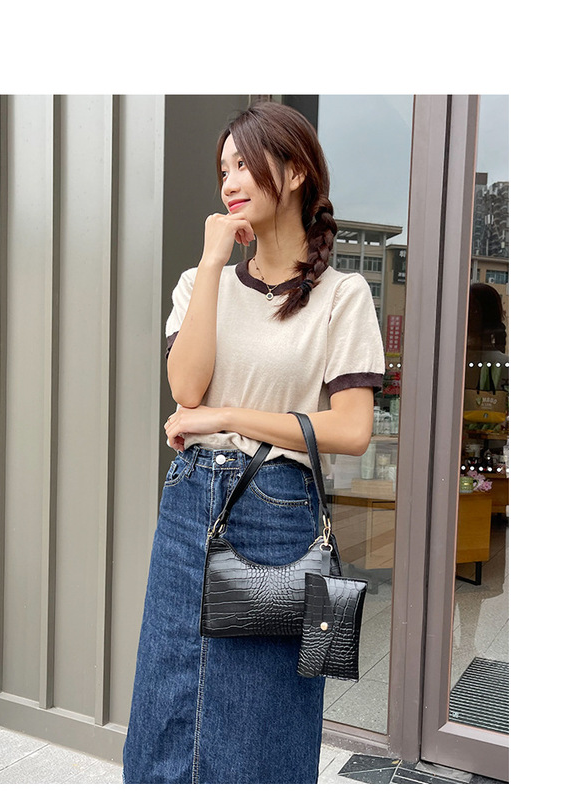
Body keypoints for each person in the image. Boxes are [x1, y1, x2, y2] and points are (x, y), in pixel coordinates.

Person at [122, 101, 385, 784]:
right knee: (170, 696)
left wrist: (227, 416)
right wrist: (212, 261)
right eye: (223, 169)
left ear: (294, 172)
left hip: (278, 507)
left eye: (245, 163)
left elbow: (351, 429)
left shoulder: (342, 296)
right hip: (188, 504)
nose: (230, 182)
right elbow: (186, 388)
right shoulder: (198, 283)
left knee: (259, 712)